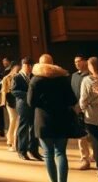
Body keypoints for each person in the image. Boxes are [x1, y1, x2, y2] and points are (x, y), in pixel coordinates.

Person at [29, 53, 77, 182]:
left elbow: (30, 102)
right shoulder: (62, 79)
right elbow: (72, 100)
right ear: (52, 63)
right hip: (62, 119)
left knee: (48, 154)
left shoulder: (36, 80)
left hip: (43, 120)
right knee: (60, 153)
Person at [12, 56, 42, 161]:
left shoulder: (34, 76)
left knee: (34, 129)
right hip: (23, 106)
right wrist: (29, 95)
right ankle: (22, 151)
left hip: (34, 106)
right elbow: (14, 91)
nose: (29, 68)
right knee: (23, 129)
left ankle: (34, 151)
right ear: (23, 65)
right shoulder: (17, 77)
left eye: (30, 65)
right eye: (27, 65)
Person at [72, 54, 93, 170]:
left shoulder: (91, 75)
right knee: (81, 135)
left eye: (79, 61)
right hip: (77, 109)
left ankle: (95, 154)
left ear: (85, 61)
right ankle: (85, 159)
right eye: (75, 62)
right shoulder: (74, 76)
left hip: (90, 109)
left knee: (92, 135)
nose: (77, 63)